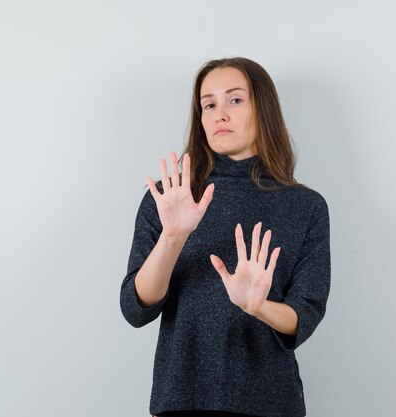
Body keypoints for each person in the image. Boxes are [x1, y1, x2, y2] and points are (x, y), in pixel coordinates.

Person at [119, 57, 331, 417]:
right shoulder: (171, 197)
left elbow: (304, 316)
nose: (220, 114)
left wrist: (258, 306)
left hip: (270, 404)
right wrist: (173, 235)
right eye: (209, 104)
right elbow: (135, 308)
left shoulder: (305, 206)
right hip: (182, 401)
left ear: (262, 110)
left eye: (235, 100)